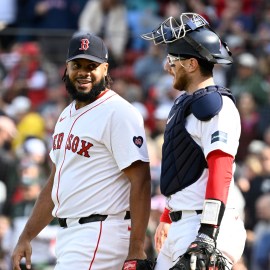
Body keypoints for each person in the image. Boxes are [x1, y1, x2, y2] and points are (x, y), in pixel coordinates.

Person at [11, 31, 152, 270]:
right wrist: (27, 235)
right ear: (67, 68)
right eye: (77, 64)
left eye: (92, 65)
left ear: (105, 69)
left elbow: (140, 180)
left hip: (100, 231)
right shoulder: (66, 115)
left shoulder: (119, 112)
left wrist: (137, 249)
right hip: (71, 235)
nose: (83, 72)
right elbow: (55, 184)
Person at [141, 13, 246, 269]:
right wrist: (168, 216)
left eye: (172, 60)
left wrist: (207, 233)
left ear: (191, 64)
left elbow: (221, 167)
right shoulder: (184, 104)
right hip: (183, 224)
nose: (167, 67)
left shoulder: (215, 106)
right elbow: (183, 170)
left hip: (206, 225)